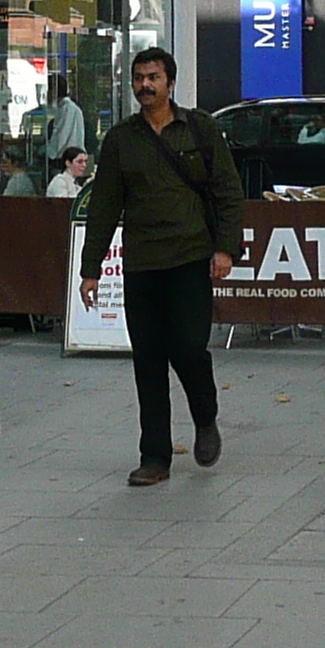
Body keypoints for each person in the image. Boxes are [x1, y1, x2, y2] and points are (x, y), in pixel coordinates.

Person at [76, 47, 244, 485]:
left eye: (153, 77)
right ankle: (155, 456)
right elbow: (104, 206)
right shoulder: (120, 140)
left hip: (190, 257)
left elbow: (227, 190)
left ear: (170, 82)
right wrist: (90, 268)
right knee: (148, 359)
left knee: (189, 348)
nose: (144, 85)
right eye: (138, 78)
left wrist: (225, 249)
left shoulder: (201, 128)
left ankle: (205, 417)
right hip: (142, 264)